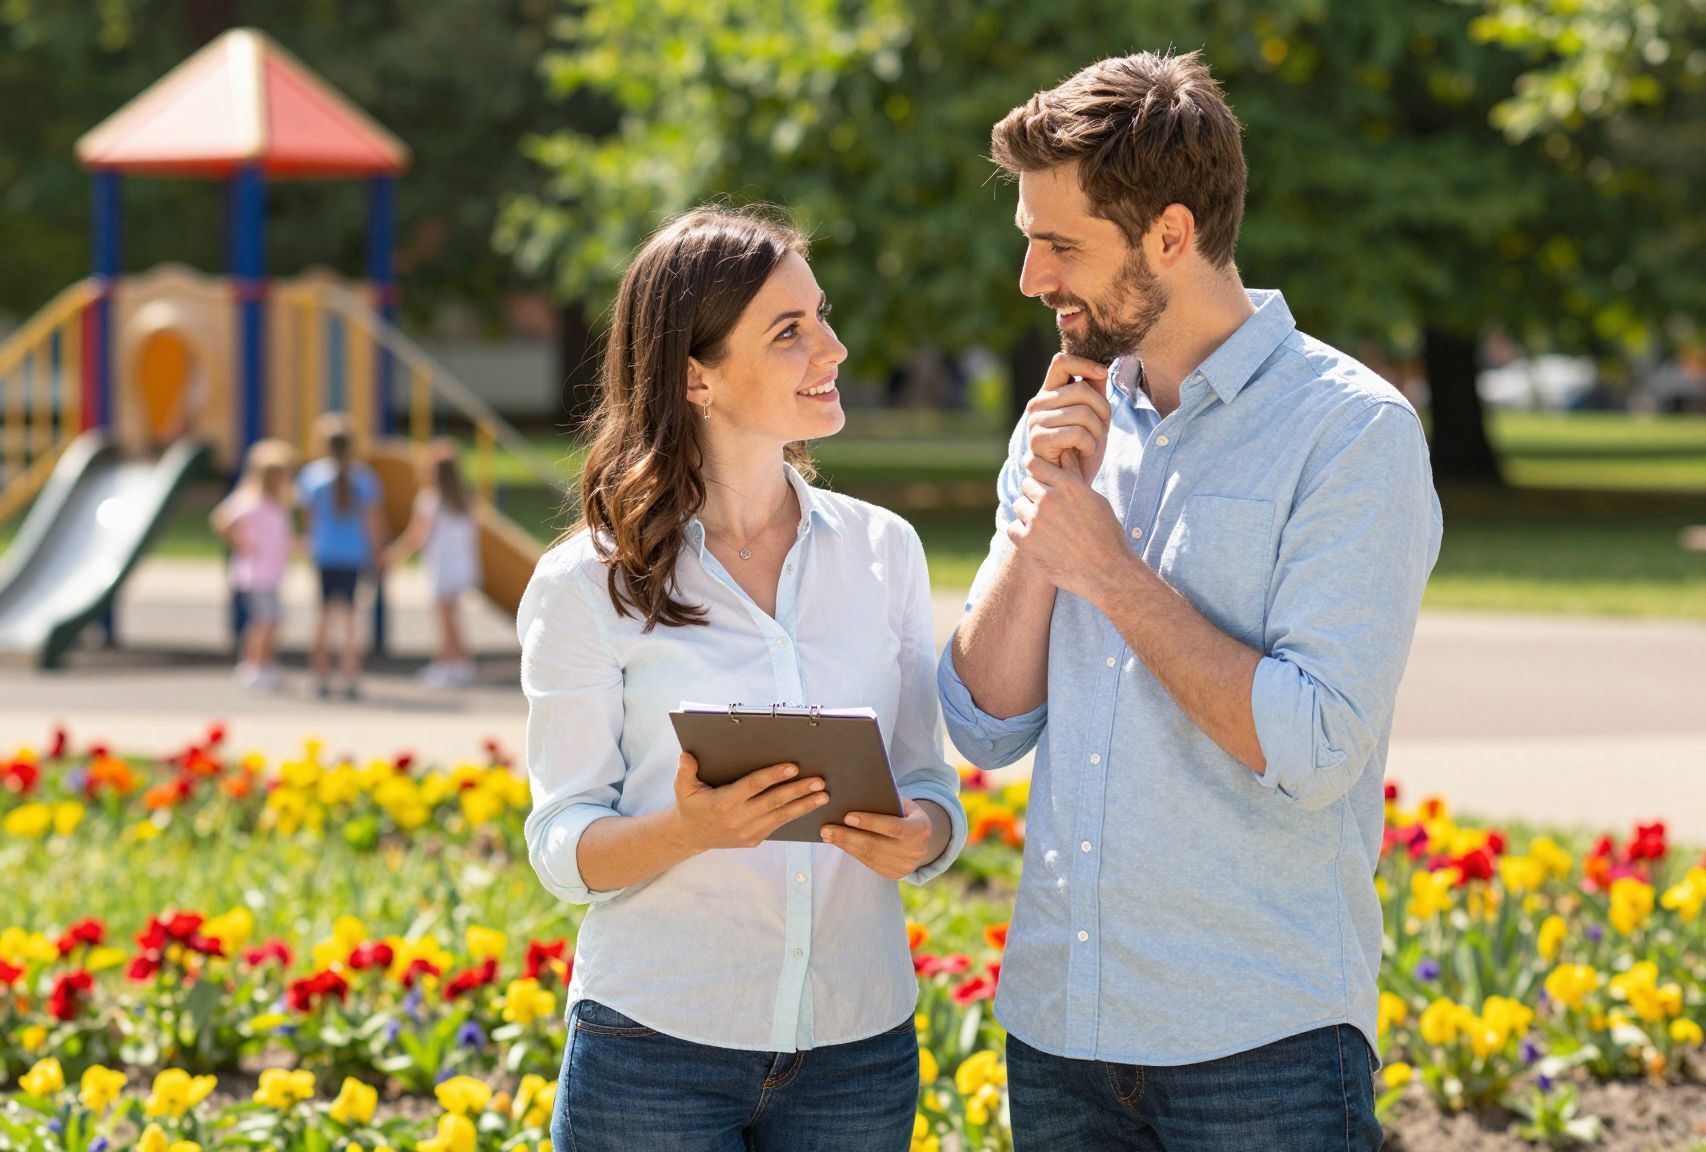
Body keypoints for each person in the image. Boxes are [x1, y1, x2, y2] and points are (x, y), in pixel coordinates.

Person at [940, 52, 1443, 1152]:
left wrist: (1111, 574)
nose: (1030, 279)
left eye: (1058, 244)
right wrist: (1044, 522)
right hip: (1058, 1037)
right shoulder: (1062, 420)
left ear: (1169, 235)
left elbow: (1314, 745)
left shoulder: (1350, 434)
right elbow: (981, 723)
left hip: (1258, 1051)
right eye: (1026, 239)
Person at [517, 204, 968, 1150]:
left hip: (859, 1044)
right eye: (790, 331)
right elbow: (562, 839)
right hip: (656, 1048)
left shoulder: (886, 552)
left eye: (823, 317)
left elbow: (928, 785)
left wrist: (918, 836)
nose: (834, 349)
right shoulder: (585, 582)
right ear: (696, 374)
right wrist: (687, 831)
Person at [296, 413, 385, 700]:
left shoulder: (312, 476)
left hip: (324, 552)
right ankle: (350, 678)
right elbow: (373, 522)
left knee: (322, 617)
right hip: (353, 554)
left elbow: (308, 519)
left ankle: (319, 677)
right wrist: (377, 551)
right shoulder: (365, 478)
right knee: (350, 619)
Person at [382, 441, 481, 686]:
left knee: (444, 618)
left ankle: (445, 664)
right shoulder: (465, 498)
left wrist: (393, 555)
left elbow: (417, 536)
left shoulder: (430, 500)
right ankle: (460, 662)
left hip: (443, 565)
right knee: (454, 616)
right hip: (464, 564)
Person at [209, 438, 296, 692]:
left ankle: (265, 663)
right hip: (256, 574)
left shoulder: (276, 504)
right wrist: (241, 543)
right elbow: (221, 520)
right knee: (264, 621)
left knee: (271, 621)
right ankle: (254, 666)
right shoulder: (250, 501)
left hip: (271, 573)